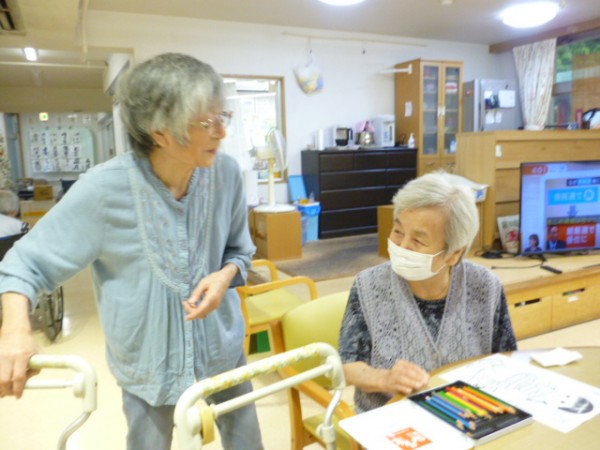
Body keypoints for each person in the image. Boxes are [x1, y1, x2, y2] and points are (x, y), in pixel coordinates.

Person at [0, 53, 263, 450]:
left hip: (221, 346)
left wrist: (225, 275)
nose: (222, 133)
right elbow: (24, 263)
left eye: (222, 116)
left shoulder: (226, 174)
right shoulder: (104, 190)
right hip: (148, 361)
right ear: (160, 132)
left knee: (248, 443)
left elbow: (240, 251)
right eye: (206, 123)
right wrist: (14, 332)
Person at [339, 171, 517, 413]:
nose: (402, 246)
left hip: (467, 414)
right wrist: (385, 379)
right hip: (389, 418)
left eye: (418, 240)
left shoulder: (485, 287)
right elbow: (347, 366)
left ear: (454, 253)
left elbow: (507, 358)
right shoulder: (369, 285)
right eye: (398, 231)